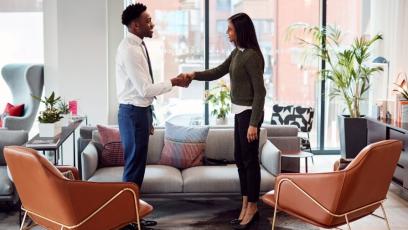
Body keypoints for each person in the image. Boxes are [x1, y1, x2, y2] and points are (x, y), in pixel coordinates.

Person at [184, 12, 266, 229]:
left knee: (250, 162)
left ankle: (253, 207)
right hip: (240, 114)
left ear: (240, 31)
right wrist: (194, 75)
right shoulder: (236, 54)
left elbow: (260, 93)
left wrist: (254, 123)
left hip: (249, 114)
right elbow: (218, 71)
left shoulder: (252, 56)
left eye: (230, 29)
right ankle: (245, 203)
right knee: (240, 159)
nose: (227, 33)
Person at [116, 3, 189, 229]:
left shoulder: (138, 45)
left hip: (139, 113)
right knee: (134, 167)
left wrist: (149, 116)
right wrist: (174, 82)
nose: (152, 24)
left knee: (137, 166)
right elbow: (144, 90)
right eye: (148, 21)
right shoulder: (129, 49)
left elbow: (143, 95)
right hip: (132, 113)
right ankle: (127, 217)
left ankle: (131, 214)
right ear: (135, 25)